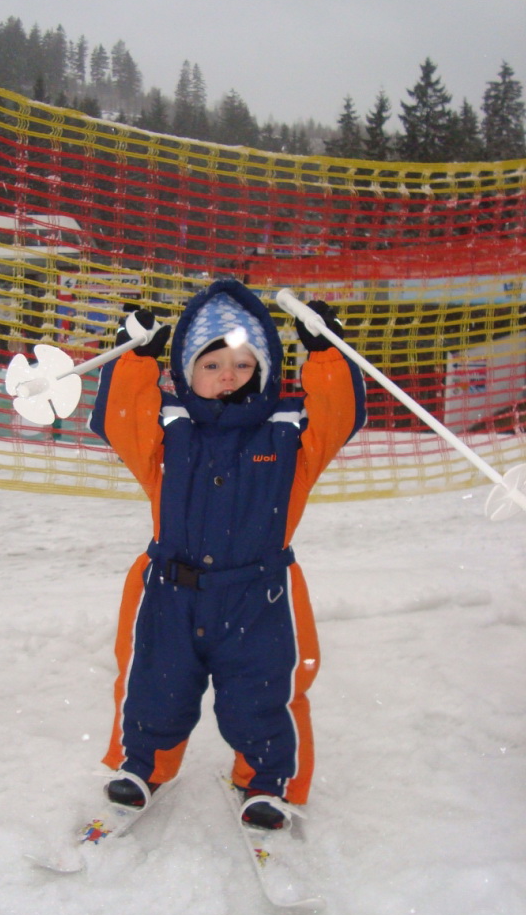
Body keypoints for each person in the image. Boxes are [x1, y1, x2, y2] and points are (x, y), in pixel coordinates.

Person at [88, 278, 366, 828]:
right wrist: (135, 359)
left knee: (264, 693)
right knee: (153, 684)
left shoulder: (289, 433)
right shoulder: (169, 430)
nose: (228, 376)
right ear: (186, 371)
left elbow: (338, 415)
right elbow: (120, 420)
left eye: (242, 364)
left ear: (263, 370)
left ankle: (265, 782)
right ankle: (142, 766)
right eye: (211, 365)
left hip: (259, 596)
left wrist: (327, 354)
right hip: (169, 591)